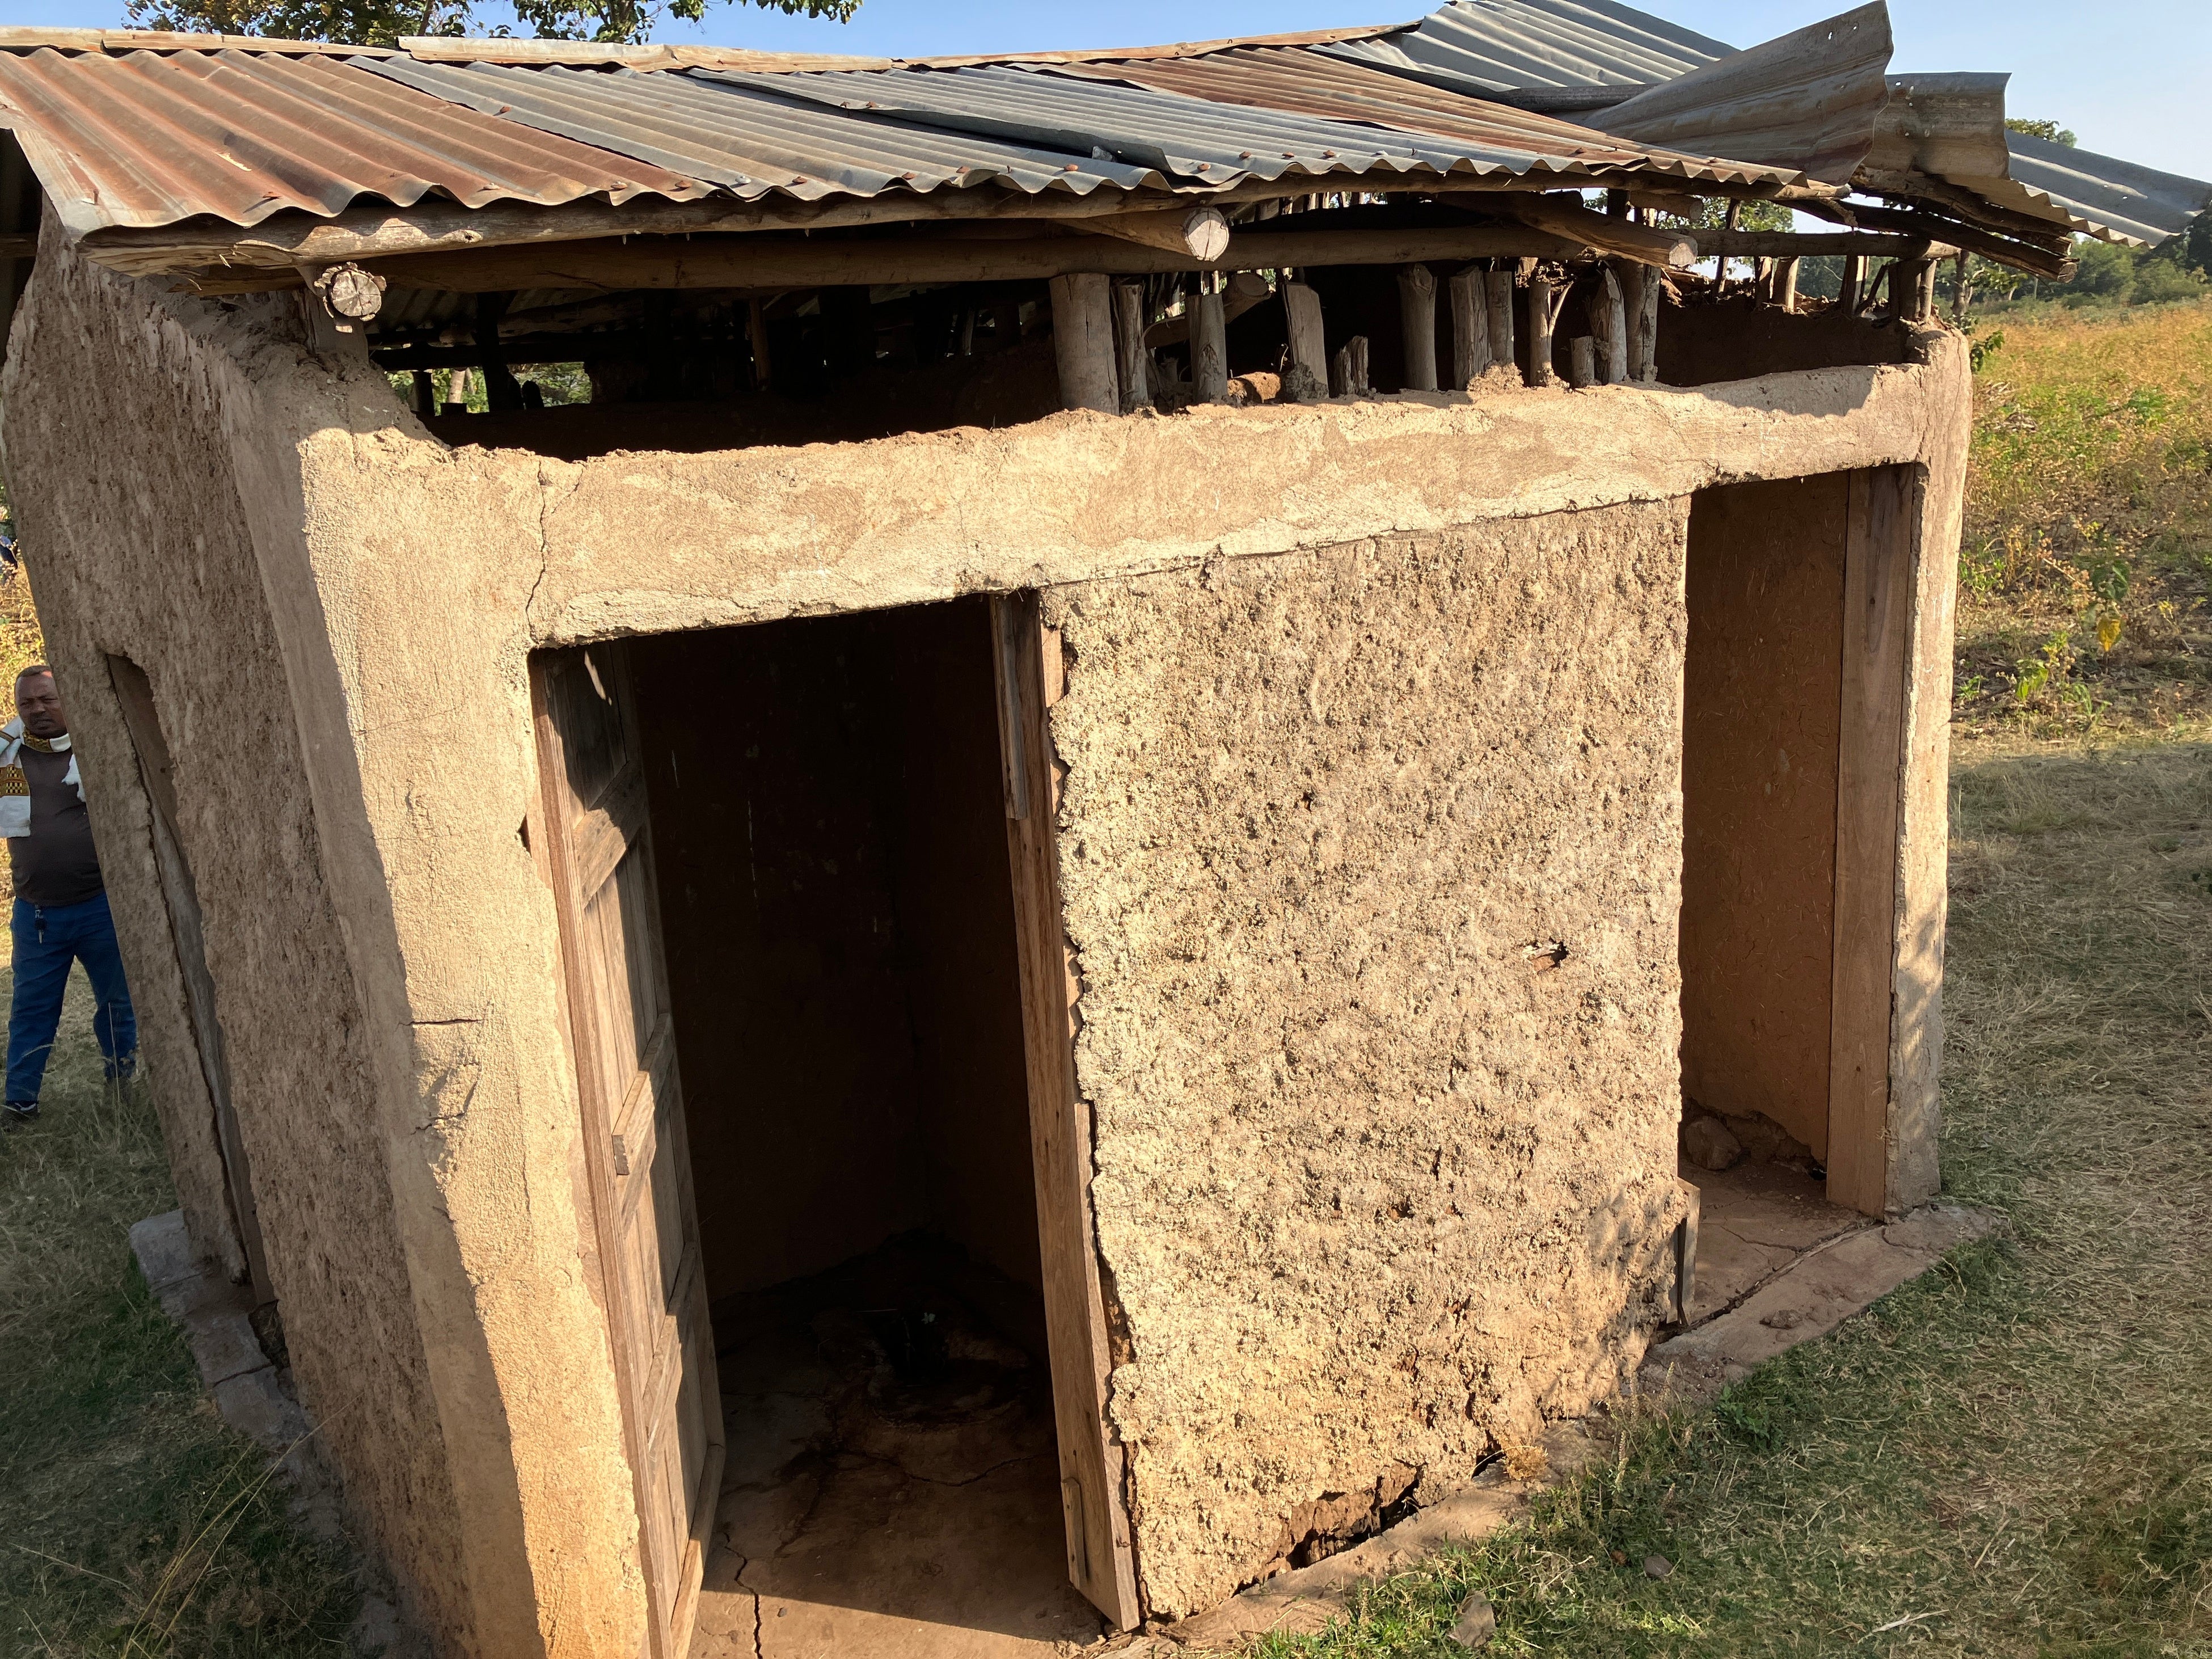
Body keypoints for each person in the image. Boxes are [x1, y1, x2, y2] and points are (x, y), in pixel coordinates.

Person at [2, 664, 134, 1125]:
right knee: (32, 1008)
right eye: (27, 702)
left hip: (100, 905)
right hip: (38, 914)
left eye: (47, 698)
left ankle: (122, 1083)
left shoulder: (96, 748)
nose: (37, 709)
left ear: (67, 699)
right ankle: (20, 1102)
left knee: (117, 1002)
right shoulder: (7, 754)